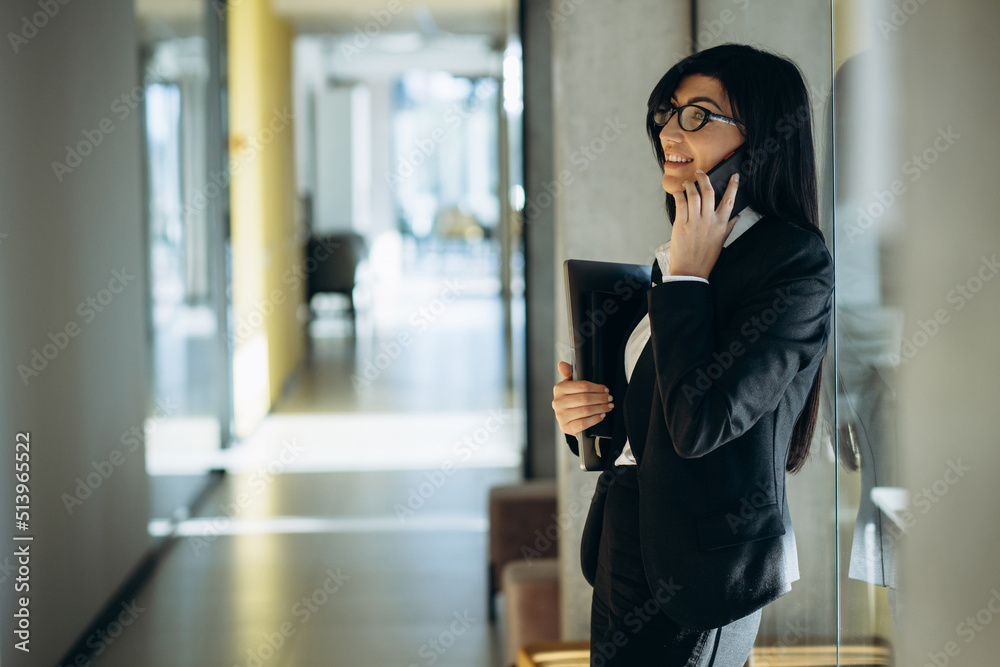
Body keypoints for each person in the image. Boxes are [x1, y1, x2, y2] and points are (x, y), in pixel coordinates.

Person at [552, 43, 835, 666]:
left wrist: (686, 281)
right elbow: (653, 413)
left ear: (758, 134)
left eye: (698, 116)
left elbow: (700, 421)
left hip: (703, 567)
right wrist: (588, 418)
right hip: (630, 538)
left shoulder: (790, 262)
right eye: (669, 113)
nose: (670, 132)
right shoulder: (689, 249)